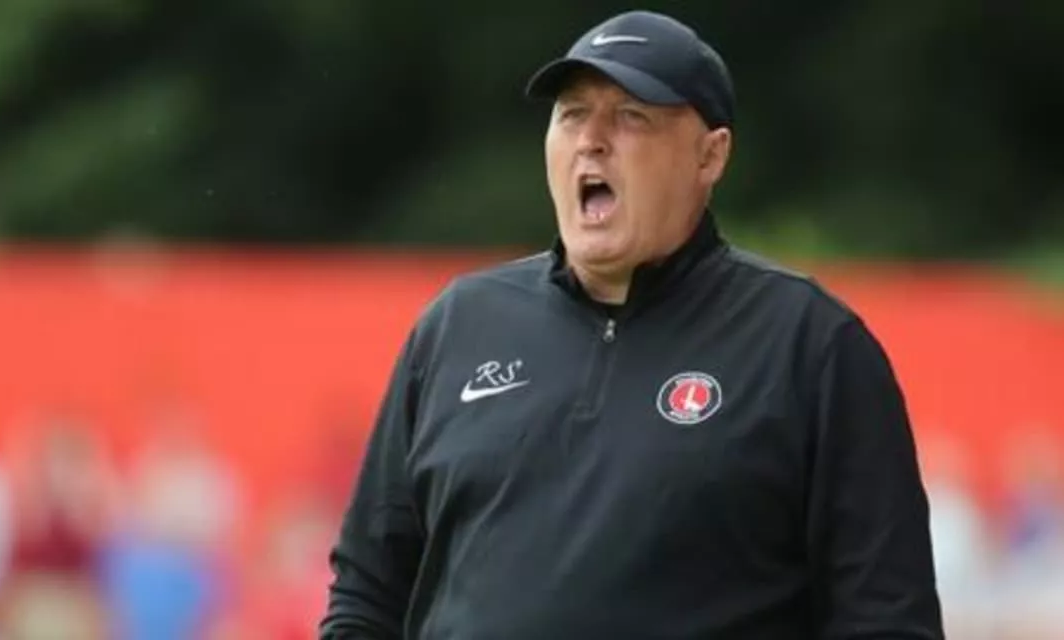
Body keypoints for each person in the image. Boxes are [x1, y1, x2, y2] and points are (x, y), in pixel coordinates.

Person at [320, 10, 943, 639]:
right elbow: (368, 594)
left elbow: (886, 618)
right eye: (572, 114)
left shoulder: (809, 345)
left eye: (630, 116)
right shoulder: (459, 325)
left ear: (710, 155)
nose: (591, 140)